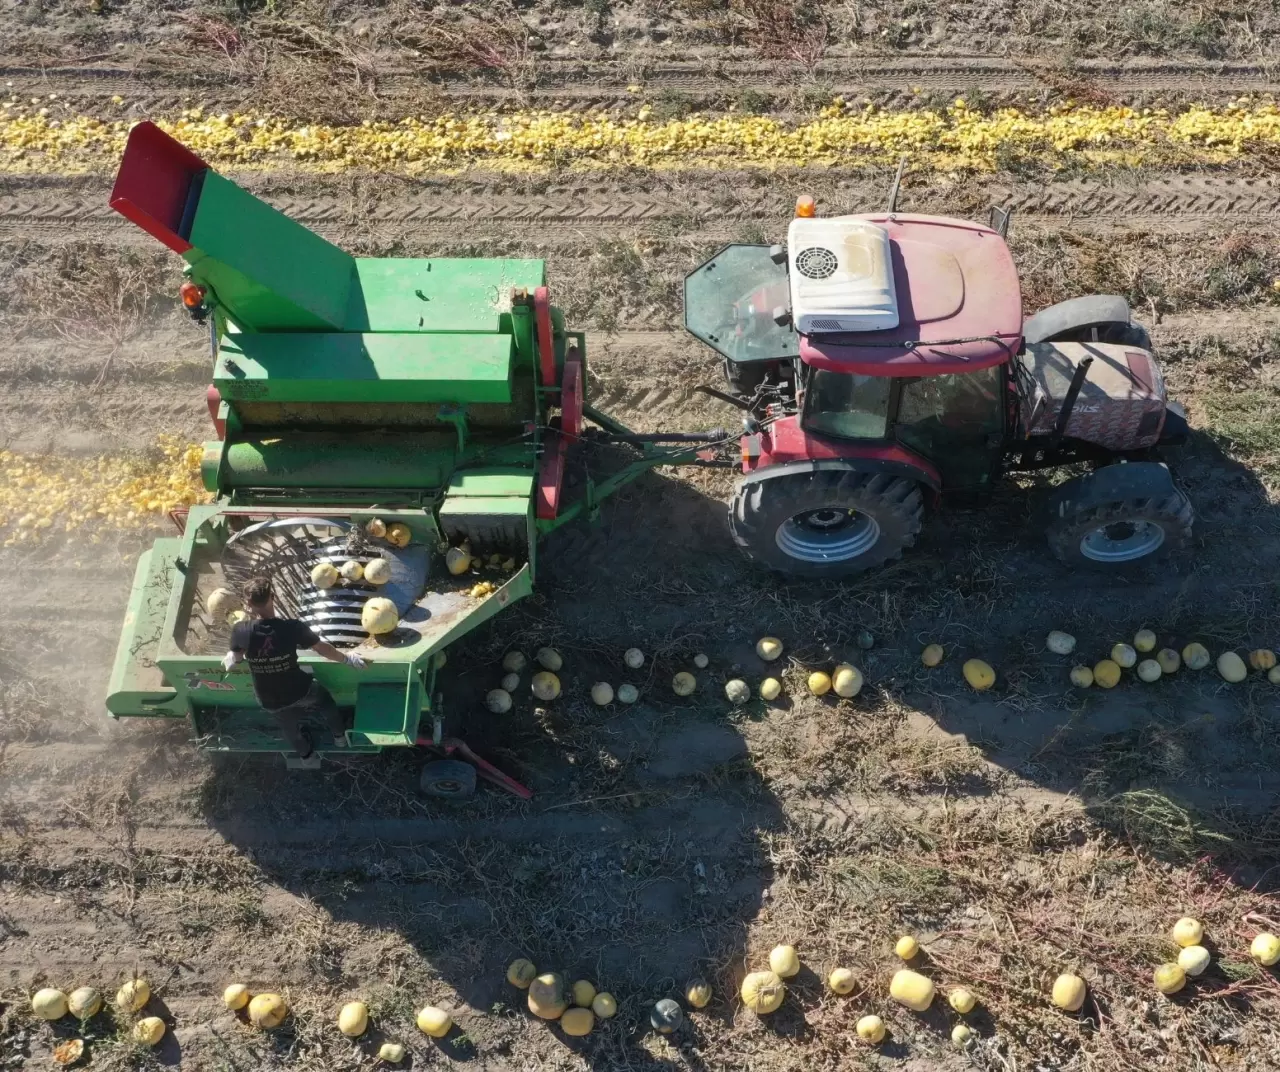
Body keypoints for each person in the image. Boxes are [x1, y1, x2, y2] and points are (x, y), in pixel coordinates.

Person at [221, 575, 366, 758]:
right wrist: (347, 659)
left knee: (287, 725)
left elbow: (237, 657)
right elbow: (322, 649)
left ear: (247, 604)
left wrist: (232, 657)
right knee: (325, 701)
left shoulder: (240, 630)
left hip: (268, 698)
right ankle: (340, 737)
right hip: (300, 690)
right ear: (272, 596)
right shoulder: (292, 627)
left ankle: (305, 753)